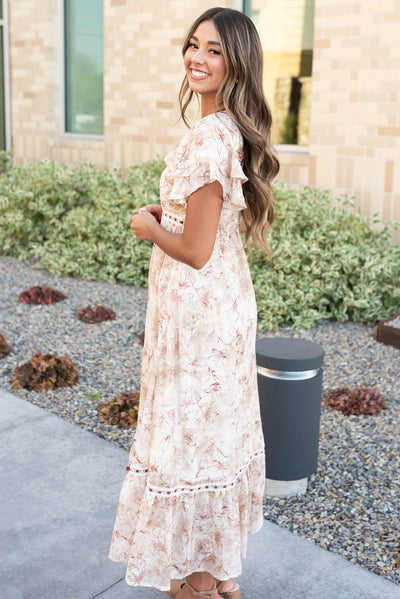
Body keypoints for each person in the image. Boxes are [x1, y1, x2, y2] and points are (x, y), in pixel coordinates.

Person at [109, 7, 279, 599]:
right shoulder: (223, 128)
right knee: (209, 437)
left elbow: (197, 250)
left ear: (236, 64)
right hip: (212, 309)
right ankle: (221, 575)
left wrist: (146, 227)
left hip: (200, 316)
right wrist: (170, 217)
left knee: (191, 443)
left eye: (213, 50)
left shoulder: (211, 138)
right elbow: (204, 227)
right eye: (193, 45)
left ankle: (199, 581)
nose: (197, 58)